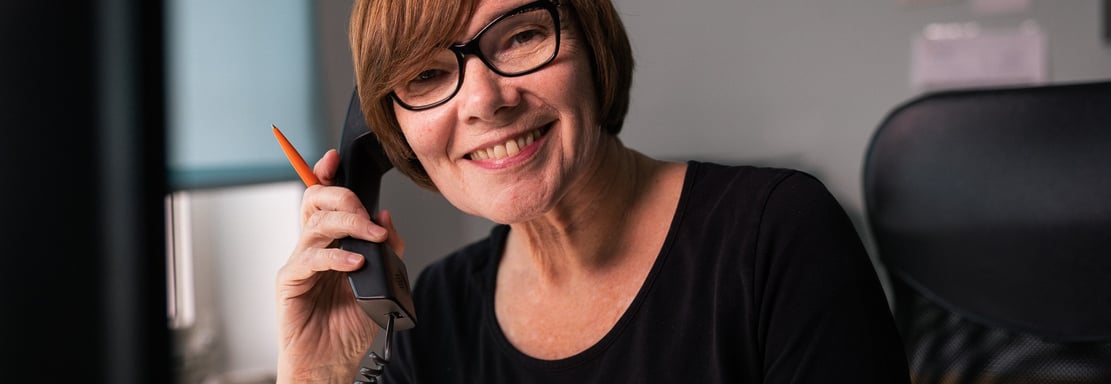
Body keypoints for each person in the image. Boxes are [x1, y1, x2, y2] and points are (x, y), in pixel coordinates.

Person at [276, 0, 911, 382]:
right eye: (427, 75)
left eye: (521, 35)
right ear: (389, 132)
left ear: (591, 43)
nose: (485, 101)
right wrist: (316, 373)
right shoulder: (434, 313)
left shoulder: (776, 234)